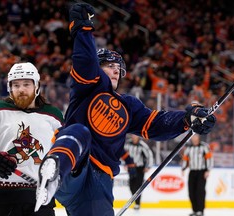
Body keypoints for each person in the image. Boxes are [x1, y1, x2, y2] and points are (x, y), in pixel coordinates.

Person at [35, 3, 216, 216]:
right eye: (109, 65)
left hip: (100, 179)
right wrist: (82, 30)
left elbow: (156, 123)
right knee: (79, 132)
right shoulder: (89, 85)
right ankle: (52, 173)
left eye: (118, 68)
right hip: (73, 166)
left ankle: (54, 177)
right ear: (98, 67)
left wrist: (188, 119)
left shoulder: (128, 105)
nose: (115, 70)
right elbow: (85, 63)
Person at [0, 62, 64, 216]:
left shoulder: (54, 116)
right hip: (0, 202)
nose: (21, 90)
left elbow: (64, 157)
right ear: (9, 88)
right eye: (16, 85)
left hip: (41, 202)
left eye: (26, 84)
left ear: (37, 86)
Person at [181, 134, 213, 216]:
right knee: (191, 192)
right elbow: (185, 159)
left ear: (198, 138)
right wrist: (183, 169)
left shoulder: (204, 147)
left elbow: (209, 158)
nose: (194, 139)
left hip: (201, 172)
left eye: (196, 137)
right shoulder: (189, 148)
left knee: (200, 191)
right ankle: (195, 210)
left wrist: (208, 170)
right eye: (193, 137)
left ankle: (200, 210)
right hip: (192, 172)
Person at [123, 134, 154, 210]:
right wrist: (125, 164)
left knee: (138, 186)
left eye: (135, 136)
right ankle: (136, 201)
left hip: (140, 168)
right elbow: (124, 154)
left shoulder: (142, 145)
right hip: (131, 168)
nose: (133, 137)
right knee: (131, 186)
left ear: (138, 137)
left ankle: (137, 203)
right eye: (132, 136)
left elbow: (149, 155)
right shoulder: (128, 144)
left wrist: (148, 166)